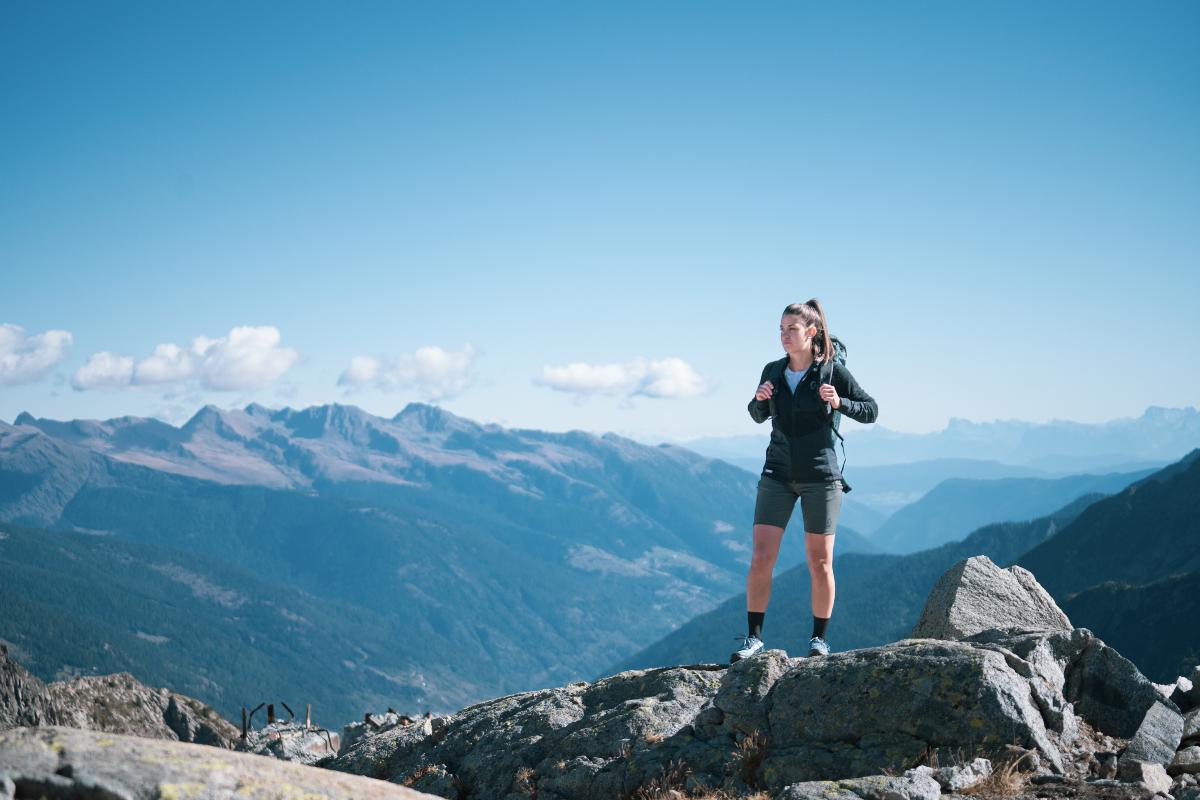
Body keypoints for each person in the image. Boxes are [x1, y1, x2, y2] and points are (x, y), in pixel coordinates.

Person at [730, 298, 879, 662]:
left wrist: (841, 402)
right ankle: (752, 640)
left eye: (791, 329)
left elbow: (871, 410)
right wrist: (760, 400)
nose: (783, 335)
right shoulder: (773, 370)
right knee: (761, 557)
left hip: (821, 476)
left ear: (811, 332)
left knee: (820, 562)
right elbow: (756, 415)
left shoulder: (832, 372)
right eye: (781, 329)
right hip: (777, 473)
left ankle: (819, 641)